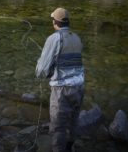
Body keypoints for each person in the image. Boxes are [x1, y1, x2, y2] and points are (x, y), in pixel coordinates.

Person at [35, 8, 85, 152]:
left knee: (58, 127)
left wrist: (41, 66)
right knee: (73, 120)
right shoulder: (76, 37)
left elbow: (41, 71)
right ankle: (70, 147)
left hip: (61, 90)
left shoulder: (54, 38)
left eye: (52, 20)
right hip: (80, 87)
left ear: (55, 22)